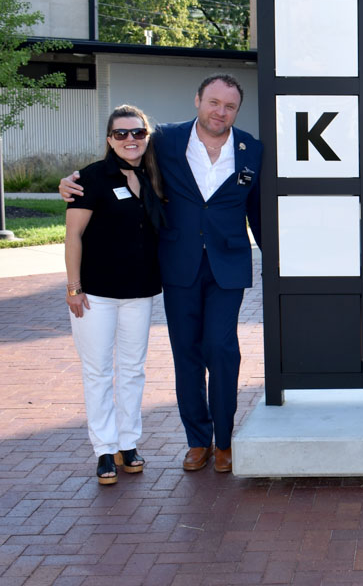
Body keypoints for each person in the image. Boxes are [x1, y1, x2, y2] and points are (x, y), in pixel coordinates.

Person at [61, 74, 263, 474]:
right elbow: (122, 154)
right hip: (178, 265)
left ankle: (224, 440)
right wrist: (69, 182)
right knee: (186, 353)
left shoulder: (252, 151)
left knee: (221, 349)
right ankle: (197, 441)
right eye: (213, 102)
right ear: (198, 100)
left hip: (228, 266)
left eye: (229, 106)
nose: (220, 112)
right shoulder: (166, 140)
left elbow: (258, 210)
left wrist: (277, 260)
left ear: (236, 111)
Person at [65, 105, 165, 485]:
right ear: (109, 139)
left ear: (146, 137)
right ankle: (104, 450)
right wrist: (73, 287)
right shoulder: (91, 178)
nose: (130, 140)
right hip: (96, 294)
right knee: (97, 371)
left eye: (137, 133)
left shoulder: (154, 176)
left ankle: (128, 443)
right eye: (121, 133)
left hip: (139, 292)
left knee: (132, 370)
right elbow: (73, 235)